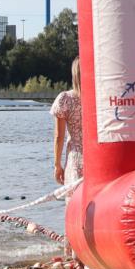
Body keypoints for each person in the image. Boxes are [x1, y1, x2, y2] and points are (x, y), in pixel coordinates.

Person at [50, 56, 83, 186]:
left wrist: (57, 165)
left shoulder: (65, 99)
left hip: (76, 159)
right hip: (97, 158)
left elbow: (59, 136)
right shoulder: (100, 97)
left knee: (75, 202)